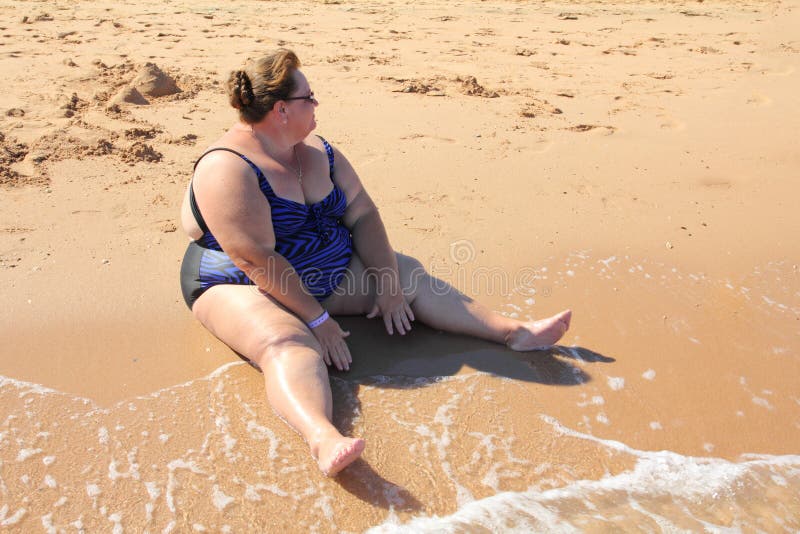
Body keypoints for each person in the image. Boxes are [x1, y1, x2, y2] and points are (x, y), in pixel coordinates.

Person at [179, 49, 572, 476]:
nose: (316, 105)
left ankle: (515, 333)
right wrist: (316, 320)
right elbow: (255, 258)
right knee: (288, 343)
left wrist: (386, 284)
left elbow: (363, 212)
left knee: (407, 277)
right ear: (281, 110)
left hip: (321, 267)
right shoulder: (227, 168)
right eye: (309, 98)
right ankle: (323, 437)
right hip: (240, 283)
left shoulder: (318, 152)